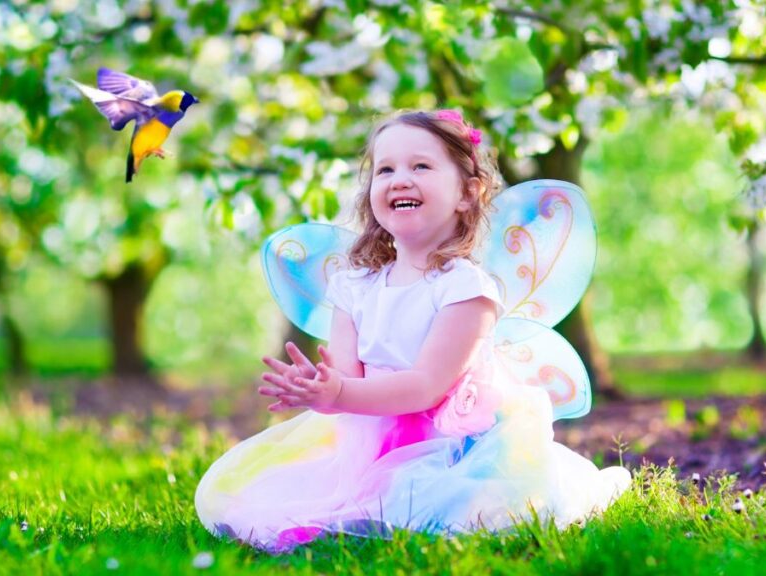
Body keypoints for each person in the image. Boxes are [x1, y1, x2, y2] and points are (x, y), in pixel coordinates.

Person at [194, 110, 631, 552]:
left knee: (438, 506)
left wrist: (338, 393)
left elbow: (424, 388)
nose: (399, 179)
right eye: (385, 169)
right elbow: (348, 381)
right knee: (267, 492)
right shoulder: (354, 286)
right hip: (368, 440)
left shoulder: (465, 289)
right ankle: (342, 512)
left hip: (451, 444)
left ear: (468, 192)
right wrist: (320, 388)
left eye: (420, 166)